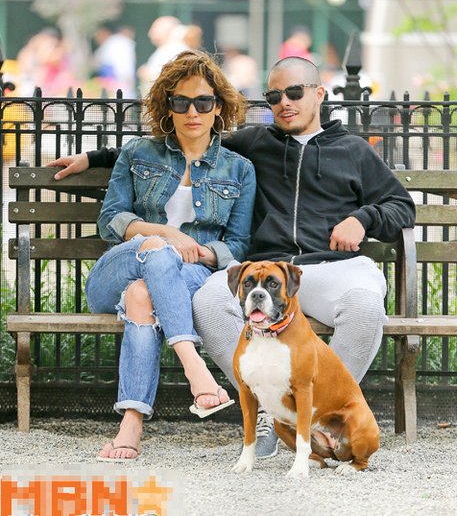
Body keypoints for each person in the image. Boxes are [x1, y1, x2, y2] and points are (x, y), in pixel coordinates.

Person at [46, 56, 416, 460]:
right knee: (207, 303)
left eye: (295, 92)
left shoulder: (354, 151)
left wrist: (363, 219)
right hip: (267, 272)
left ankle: (319, 417)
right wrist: (94, 158)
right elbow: (178, 143)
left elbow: (401, 206)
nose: (285, 102)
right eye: (274, 96)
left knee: (365, 307)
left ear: (319, 94)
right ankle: (268, 410)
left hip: (334, 268)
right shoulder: (256, 144)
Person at [75, 50, 256, 461]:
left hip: (190, 274)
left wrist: (201, 251)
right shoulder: (139, 153)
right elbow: (111, 220)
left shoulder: (239, 169)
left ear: (219, 108)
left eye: (203, 102)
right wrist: (167, 234)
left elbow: (238, 246)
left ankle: (131, 424)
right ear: (167, 106)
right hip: (118, 271)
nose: (192, 112)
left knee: (142, 295)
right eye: (181, 102)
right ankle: (195, 367)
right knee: (155, 250)